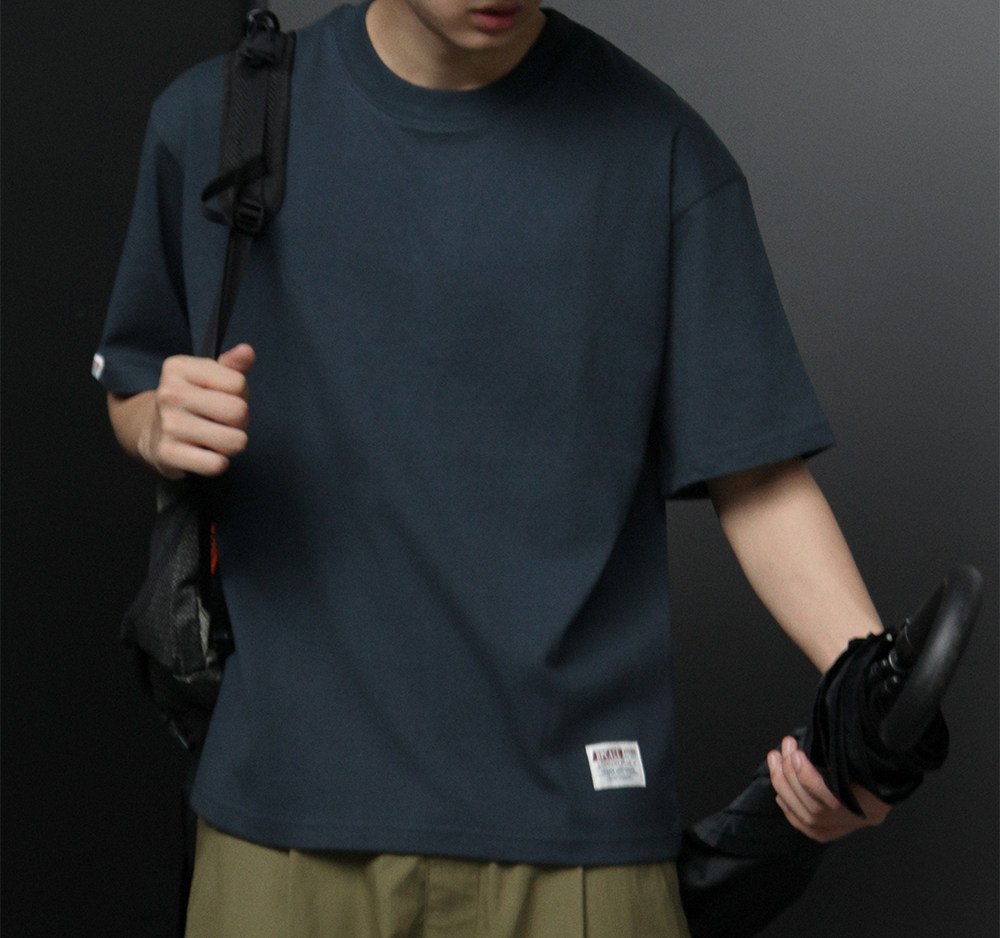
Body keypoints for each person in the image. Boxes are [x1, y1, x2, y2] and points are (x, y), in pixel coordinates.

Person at [94, 1, 890, 934]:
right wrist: (155, 423)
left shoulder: (662, 152)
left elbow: (757, 475)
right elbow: (134, 380)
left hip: (578, 843)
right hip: (283, 833)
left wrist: (874, 705)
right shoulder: (215, 120)